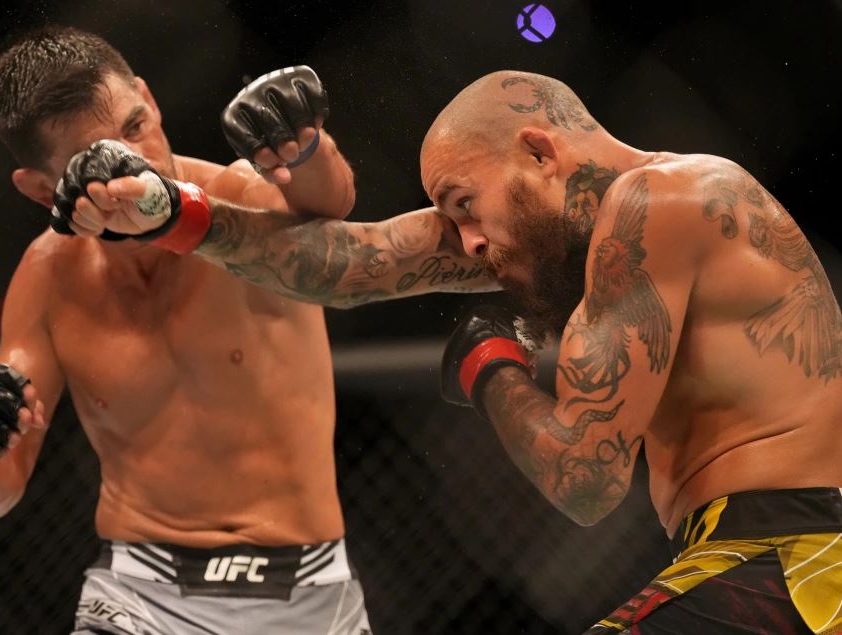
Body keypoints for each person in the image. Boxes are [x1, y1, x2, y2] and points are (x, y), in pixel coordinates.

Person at [62, 70, 842, 633]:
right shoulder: (559, 236)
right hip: (752, 555)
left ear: (538, 153)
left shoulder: (664, 202)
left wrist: (487, 362)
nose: (466, 241)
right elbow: (348, 262)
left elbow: (584, 476)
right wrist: (167, 211)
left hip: (802, 554)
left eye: (464, 204)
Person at [0, 27, 497, 635]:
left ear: (150, 99)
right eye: (93, 161)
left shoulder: (237, 198)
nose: (135, 162)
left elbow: (326, 209)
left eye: (134, 126)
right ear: (44, 190)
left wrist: (304, 145)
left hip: (308, 593)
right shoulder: (48, 277)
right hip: (139, 597)